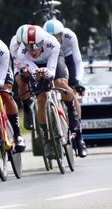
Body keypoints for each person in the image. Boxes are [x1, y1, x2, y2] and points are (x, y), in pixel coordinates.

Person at [17, 25, 87, 158]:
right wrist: (37, 72)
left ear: (42, 42)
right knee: (41, 98)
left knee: (61, 83)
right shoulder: (21, 53)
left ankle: (71, 110)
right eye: (29, 46)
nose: (33, 50)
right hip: (36, 66)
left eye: (36, 46)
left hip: (52, 62)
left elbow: (52, 71)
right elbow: (32, 69)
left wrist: (48, 73)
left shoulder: (53, 43)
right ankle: (47, 138)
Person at [43, 19, 87, 157]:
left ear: (62, 34)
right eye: (52, 37)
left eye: (58, 36)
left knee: (71, 91)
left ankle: (79, 137)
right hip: (50, 58)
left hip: (68, 58)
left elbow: (78, 60)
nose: (55, 39)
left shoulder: (70, 36)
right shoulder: (43, 40)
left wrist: (78, 80)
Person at [9, 24, 33, 130]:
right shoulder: (14, 43)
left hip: (36, 58)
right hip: (22, 63)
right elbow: (17, 62)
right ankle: (26, 107)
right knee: (20, 80)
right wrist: (23, 70)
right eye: (20, 43)